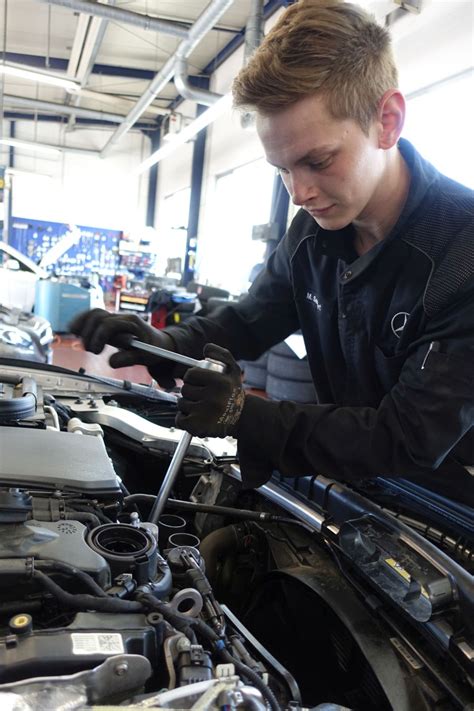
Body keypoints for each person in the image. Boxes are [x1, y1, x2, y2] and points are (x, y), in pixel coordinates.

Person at [71, 0, 474, 504]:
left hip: (451, 519)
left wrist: (245, 414)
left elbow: (407, 436)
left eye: (317, 160)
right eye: (281, 169)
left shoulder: (463, 254)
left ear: (387, 121)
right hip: (358, 490)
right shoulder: (312, 232)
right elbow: (249, 320)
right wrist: (164, 343)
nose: (299, 192)